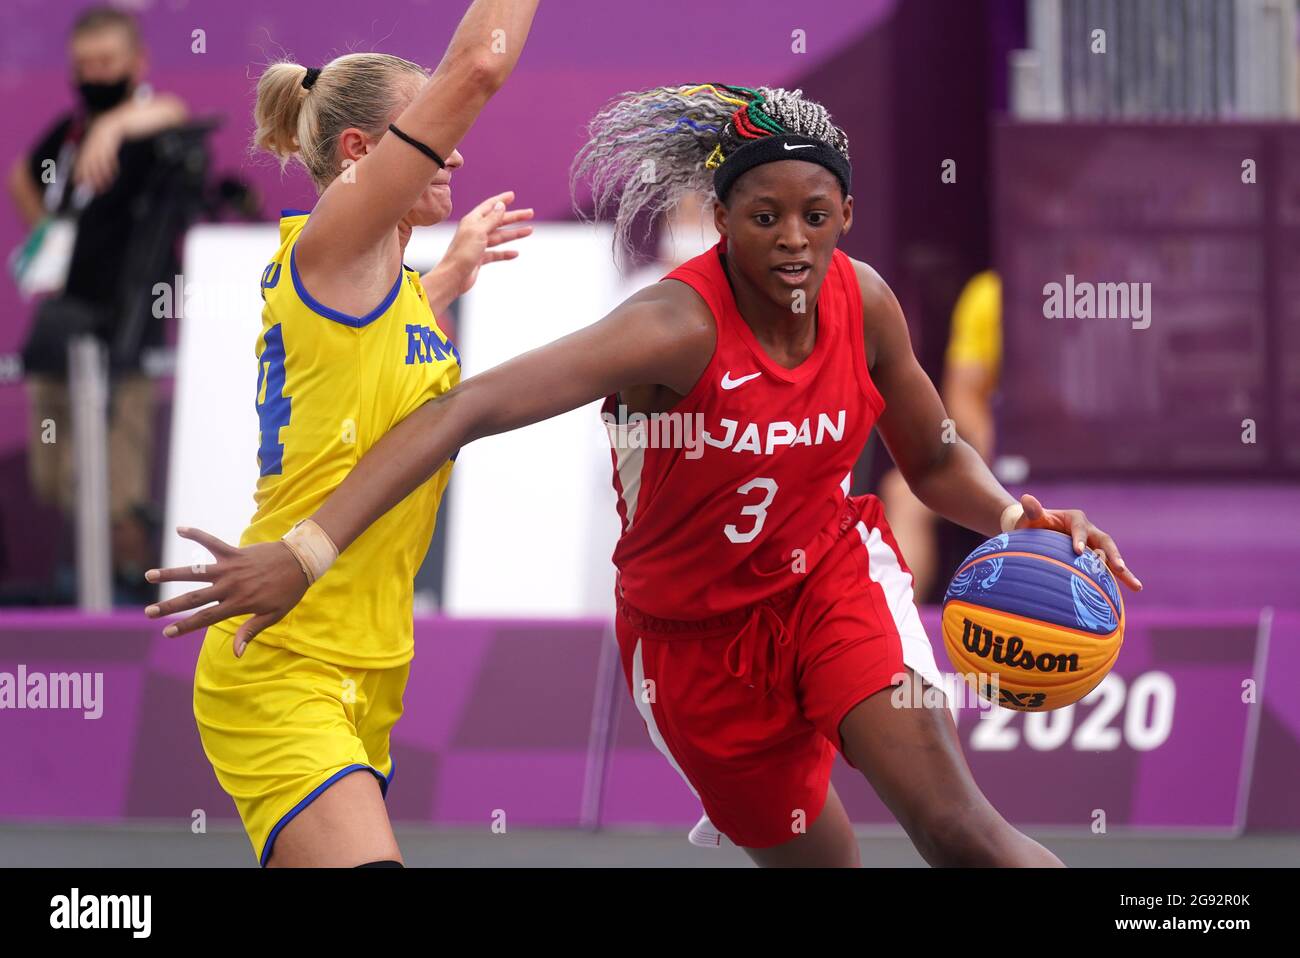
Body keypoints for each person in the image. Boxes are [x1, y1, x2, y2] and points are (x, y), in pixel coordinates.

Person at [148, 83, 1141, 867]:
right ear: (721, 217)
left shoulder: (865, 300)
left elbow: (930, 455)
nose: (793, 240)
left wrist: (1017, 515)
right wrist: (305, 550)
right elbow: (462, 411)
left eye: (815, 213)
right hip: (691, 645)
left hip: (828, 584)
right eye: (763, 217)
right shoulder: (669, 326)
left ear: (846, 211)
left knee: (958, 828)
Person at [148, 0, 539, 867]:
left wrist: (448, 279)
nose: (458, 150)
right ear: (361, 155)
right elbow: (478, 64)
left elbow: (368, 374)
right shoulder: (332, 244)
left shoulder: (385, 287)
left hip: (368, 667)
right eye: (429, 136)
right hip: (286, 651)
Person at [8, 6, 189, 601]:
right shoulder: (67, 135)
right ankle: (88, 582)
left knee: (118, 486)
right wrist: (51, 238)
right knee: (54, 472)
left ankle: (134, 595)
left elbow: (175, 112)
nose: (95, 74)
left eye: (107, 62)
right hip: (62, 322)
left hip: (126, 328)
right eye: (84, 65)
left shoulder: (149, 131)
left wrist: (116, 126)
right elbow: (22, 176)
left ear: (136, 63)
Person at [878, 269, 1001, 603]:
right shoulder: (988, 294)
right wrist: (994, 451)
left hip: (1066, 462)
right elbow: (962, 396)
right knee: (903, 493)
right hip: (1000, 451)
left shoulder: (1107, 297)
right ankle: (899, 620)